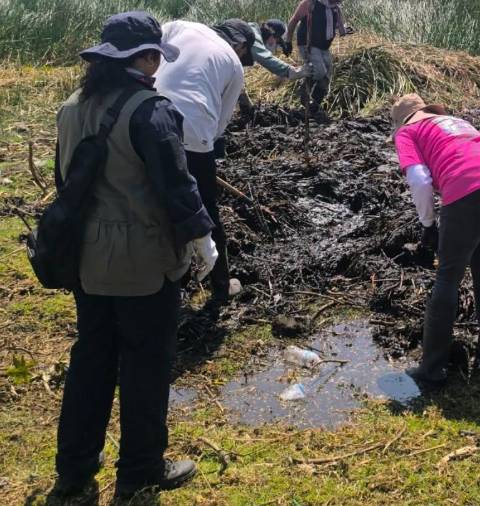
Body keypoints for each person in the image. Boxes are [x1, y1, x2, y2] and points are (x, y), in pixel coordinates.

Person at [46, 11, 217, 504]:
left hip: (86, 260)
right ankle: (141, 471)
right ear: (142, 59)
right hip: (142, 261)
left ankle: (73, 474)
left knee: (91, 360)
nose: (157, 66)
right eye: (155, 57)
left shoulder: (72, 106)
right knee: (146, 363)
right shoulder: (151, 110)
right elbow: (176, 188)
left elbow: (66, 187)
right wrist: (202, 240)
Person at [391, 94, 480, 390]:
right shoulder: (455, 121)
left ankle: (432, 368)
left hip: (467, 186)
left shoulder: (408, 132)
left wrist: (428, 224)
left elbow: (419, 179)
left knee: (448, 275)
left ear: (402, 121)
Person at [156, 18, 255, 309]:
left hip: (147, 118)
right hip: (195, 134)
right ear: (240, 45)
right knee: (205, 209)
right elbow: (220, 124)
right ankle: (222, 287)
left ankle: (165, 279)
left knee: (154, 202)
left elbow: (152, 55)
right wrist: (201, 154)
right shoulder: (234, 65)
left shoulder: (179, 26)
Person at [286, 0, 351, 122]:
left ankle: (313, 107)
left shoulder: (335, 8)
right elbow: (294, 20)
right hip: (308, 43)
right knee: (319, 71)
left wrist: (346, 30)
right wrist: (288, 41)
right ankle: (303, 92)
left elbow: (341, 28)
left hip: (323, 46)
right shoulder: (311, 3)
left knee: (327, 76)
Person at [237, 18, 312, 113]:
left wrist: (246, 105)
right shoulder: (252, 36)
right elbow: (266, 59)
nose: (275, 44)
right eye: (277, 40)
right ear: (272, 35)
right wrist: (292, 71)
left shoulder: (249, 32)